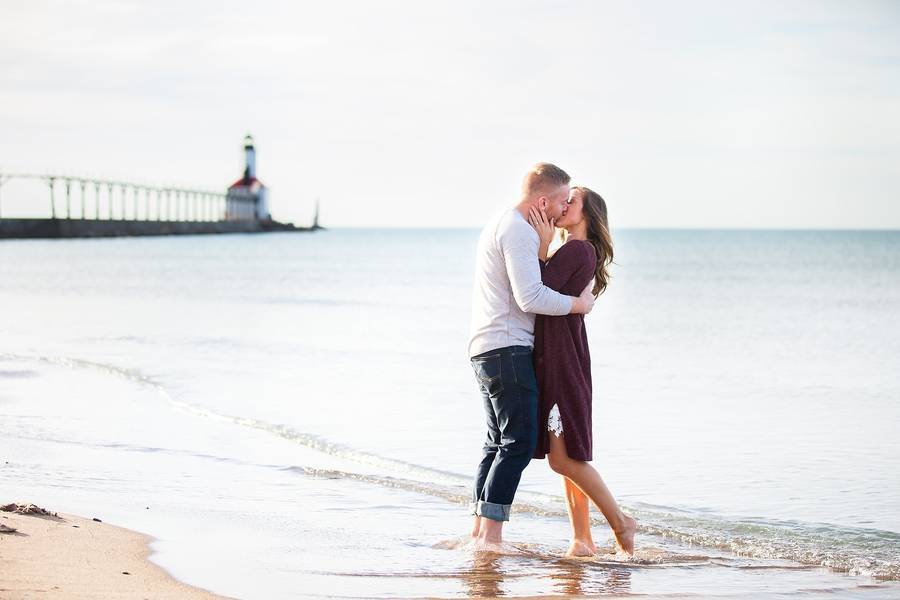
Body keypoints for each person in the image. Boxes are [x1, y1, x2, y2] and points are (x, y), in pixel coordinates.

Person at [468, 163, 597, 547]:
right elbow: (532, 297)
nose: (562, 210)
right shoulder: (519, 231)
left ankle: (478, 531)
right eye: (561, 201)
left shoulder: (501, 223)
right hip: (507, 347)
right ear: (543, 200)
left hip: (486, 347)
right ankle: (490, 537)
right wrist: (578, 304)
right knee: (518, 444)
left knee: (497, 443)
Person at [527, 186, 637, 556]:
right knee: (570, 457)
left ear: (587, 213)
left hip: (562, 357)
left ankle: (621, 522)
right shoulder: (575, 250)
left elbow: (536, 288)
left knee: (562, 458)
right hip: (563, 354)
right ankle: (582, 539)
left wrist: (541, 246)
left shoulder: (577, 249)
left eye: (571, 200)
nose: (563, 204)